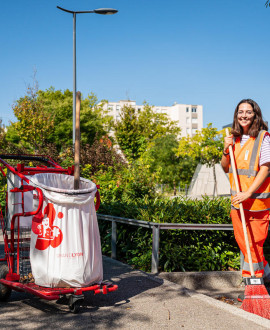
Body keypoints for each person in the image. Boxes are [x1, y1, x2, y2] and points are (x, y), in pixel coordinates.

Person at [221, 99, 270, 289]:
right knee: (244, 243)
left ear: (255, 114)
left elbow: (266, 168)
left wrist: (248, 193)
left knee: (255, 244)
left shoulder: (263, 138)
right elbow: (226, 168)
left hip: (257, 202)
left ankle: (255, 282)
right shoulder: (234, 138)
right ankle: (263, 274)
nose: (243, 115)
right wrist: (226, 150)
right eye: (240, 112)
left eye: (248, 112)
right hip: (237, 203)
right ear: (236, 115)